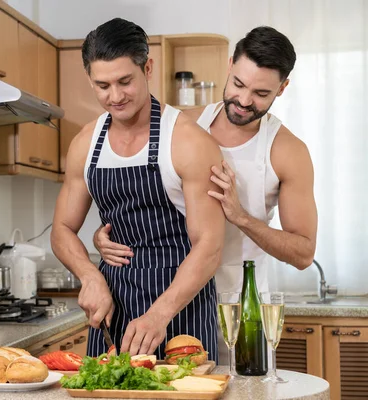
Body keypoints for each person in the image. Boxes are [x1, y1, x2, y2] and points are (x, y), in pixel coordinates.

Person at [93, 26, 318, 363]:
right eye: (239, 84)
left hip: (241, 311)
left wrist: (240, 216)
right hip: (176, 301)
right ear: (229, 66)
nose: (243, 101)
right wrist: (104, 234)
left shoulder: (288, 152)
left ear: (282, 89)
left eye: (261, 93)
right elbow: (144, 201)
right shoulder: (184, 125)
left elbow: (303, 253)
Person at [50, 17, 226, 360]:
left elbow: (210, 246)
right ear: (89, 78)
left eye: (124, 81)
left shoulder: (188, 141)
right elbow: (61, 229)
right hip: (112, 308)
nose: (115, 96)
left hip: (181, 308)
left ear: (147, 68)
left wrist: (160, 314)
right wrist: (89, 275)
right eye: (102, 86)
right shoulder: (86, 143)